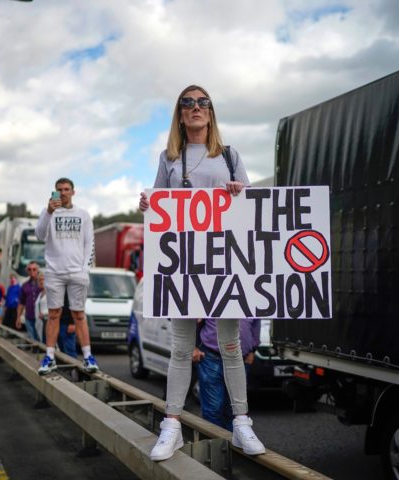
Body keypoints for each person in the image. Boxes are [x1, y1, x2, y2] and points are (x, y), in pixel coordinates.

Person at [138, 85, 265, 461]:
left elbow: (248, 206)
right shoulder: (169, 158)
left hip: (223, 263)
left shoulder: (229, 155)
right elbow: (160, 214)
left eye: (202, 102)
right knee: (181, 349)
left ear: (211, 113)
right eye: (188, 103)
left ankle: (242, 424)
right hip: (184, 265)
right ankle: (172, 426)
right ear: (180, 115)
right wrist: (147, 204)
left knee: (231, 348)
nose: (196, 107)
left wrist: (240, 190)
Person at [34, 177, 97, 375]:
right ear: (55, 192)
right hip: (54, 272)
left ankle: (87, 356)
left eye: (67, 189)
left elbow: (90, 243)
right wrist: (49, 212)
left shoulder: (83, 215)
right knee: (54, 315)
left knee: (79, 315)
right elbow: (39, 235)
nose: (63, 192)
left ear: (73, 191)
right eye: (59, 189)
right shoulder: (48, 213)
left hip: (77, 272)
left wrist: (85, 270)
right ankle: (50, 356)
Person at [194, 318, 261, 430]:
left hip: (241, 359)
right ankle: (214, 443)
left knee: (234, 409)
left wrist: (253, 350)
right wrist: (194, 346)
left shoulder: (249, 301)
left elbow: (256, 323)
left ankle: (230, 443)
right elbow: (196, 319)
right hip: (212, 357)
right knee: (213, 408)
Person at [16, 262, 42, 341]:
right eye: (29, 269)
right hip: (29, 317)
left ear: (37, 270)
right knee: (32, 341)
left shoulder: (42, 283)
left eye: (34, 269)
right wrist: (18, 318)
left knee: (41, 340)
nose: (32, 271)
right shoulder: (24, 285)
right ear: (27, 271)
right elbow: (21, 303)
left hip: (40, 318)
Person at [58, 292, 77, 359]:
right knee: (62, 347)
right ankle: (66, 367)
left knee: (69, 349)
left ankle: (72, 367)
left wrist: (72, 323)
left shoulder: (69, 288)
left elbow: (73, 305)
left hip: (67, 323)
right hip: (59, 322)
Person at [34, 271, 48, 343]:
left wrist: (44, 313)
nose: (41, 282)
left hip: (47, 324)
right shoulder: (40, 294)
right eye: (39, 280)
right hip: (40, 326)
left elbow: (56, 307)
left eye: (43, 279)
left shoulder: (50, 292)